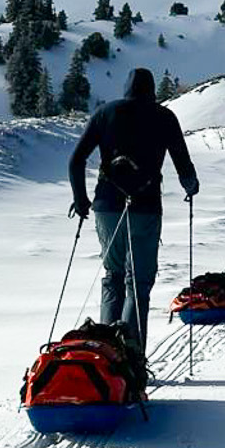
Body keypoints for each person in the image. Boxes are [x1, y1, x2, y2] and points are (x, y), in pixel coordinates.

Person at [68, 67, 199, 347]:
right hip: (146, 205)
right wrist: (191, 188)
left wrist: (81, 200)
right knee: (137, 283)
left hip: (106, 204)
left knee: (113, 276)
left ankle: (103, 353)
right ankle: (131, 357)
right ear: (151, 90)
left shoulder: (105, 112)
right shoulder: (164, 117)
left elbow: (76, 160)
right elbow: (183, 164)